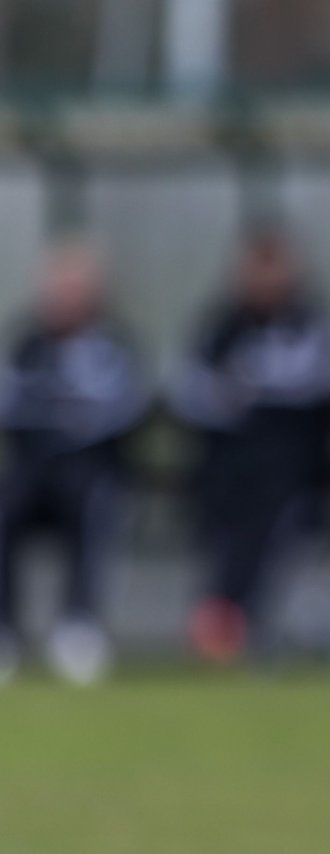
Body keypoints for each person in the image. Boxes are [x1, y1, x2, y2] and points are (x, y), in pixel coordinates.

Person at [171, 228, 330, 663]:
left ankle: (245, 623)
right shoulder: (221, 326)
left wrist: (252, 388)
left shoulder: (310, 322)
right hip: (228, 467)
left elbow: (321, 386)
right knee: (230, 531)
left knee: (277, 527)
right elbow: (191, 390)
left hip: (296, 468)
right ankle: (225, 623)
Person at [0, 239, 148, 684]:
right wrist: (61, 413)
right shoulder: (27, 343)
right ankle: (5, 628)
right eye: (57, 287)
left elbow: (126, 407)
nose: (64, 297)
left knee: (92, 504)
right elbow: (12, 402)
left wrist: (67, 416)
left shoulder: (116, 344)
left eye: (74, 287)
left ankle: (78, 626)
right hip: (33, 466)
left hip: (91, 469)